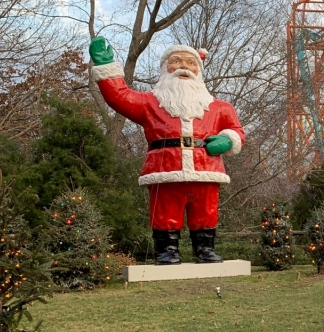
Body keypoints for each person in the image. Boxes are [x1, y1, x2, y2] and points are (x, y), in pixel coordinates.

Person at [88, 36, 245, 265]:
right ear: (165, 68)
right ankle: (166, 250)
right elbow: (119, 96)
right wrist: (106, 67)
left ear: (199, 70)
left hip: (206, 170)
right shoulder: (149, 103)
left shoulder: (221, 107)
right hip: (165, 169)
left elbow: (237, 130)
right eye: (176, 61)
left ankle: (205, 249)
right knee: (165, 211)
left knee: (206, 211)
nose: (184, 67)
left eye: (190, 63)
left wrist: (228, 140)